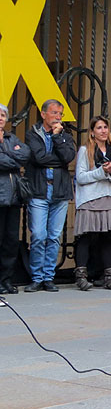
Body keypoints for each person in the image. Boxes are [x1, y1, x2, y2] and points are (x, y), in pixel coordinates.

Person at [24, 99, 76, 293]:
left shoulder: (65, 136)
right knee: (39, 235)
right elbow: (38, 158)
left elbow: (68, 157)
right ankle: (36, 278)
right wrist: (58, 161)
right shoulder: (32, 134)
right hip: (39, 191)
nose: (57, 117)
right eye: (54, 113)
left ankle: (48, 277)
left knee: (54, 237)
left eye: (60, 114)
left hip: (59, 192)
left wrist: (57, 137)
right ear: (43, 114)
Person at [73, 116, 111, 291]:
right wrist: (101, 172)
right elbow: (81, 177)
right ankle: (81, 276)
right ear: (92, 132)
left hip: (108, 197)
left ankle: (109, 276)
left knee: (107, 237)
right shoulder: (85, 150)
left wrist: (110, 172)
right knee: (85, 237)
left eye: (105, 127)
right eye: (99, 128)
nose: (103, 131)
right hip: (90, 199)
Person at [0, 103, 30, 295]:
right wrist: (13, 158)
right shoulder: (12, 143)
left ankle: (6, 280)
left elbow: (25, 155)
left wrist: (5, 152)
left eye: (3, 116)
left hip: (13, 199)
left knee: (11, 241)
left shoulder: (11, 138)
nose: (0, 119)